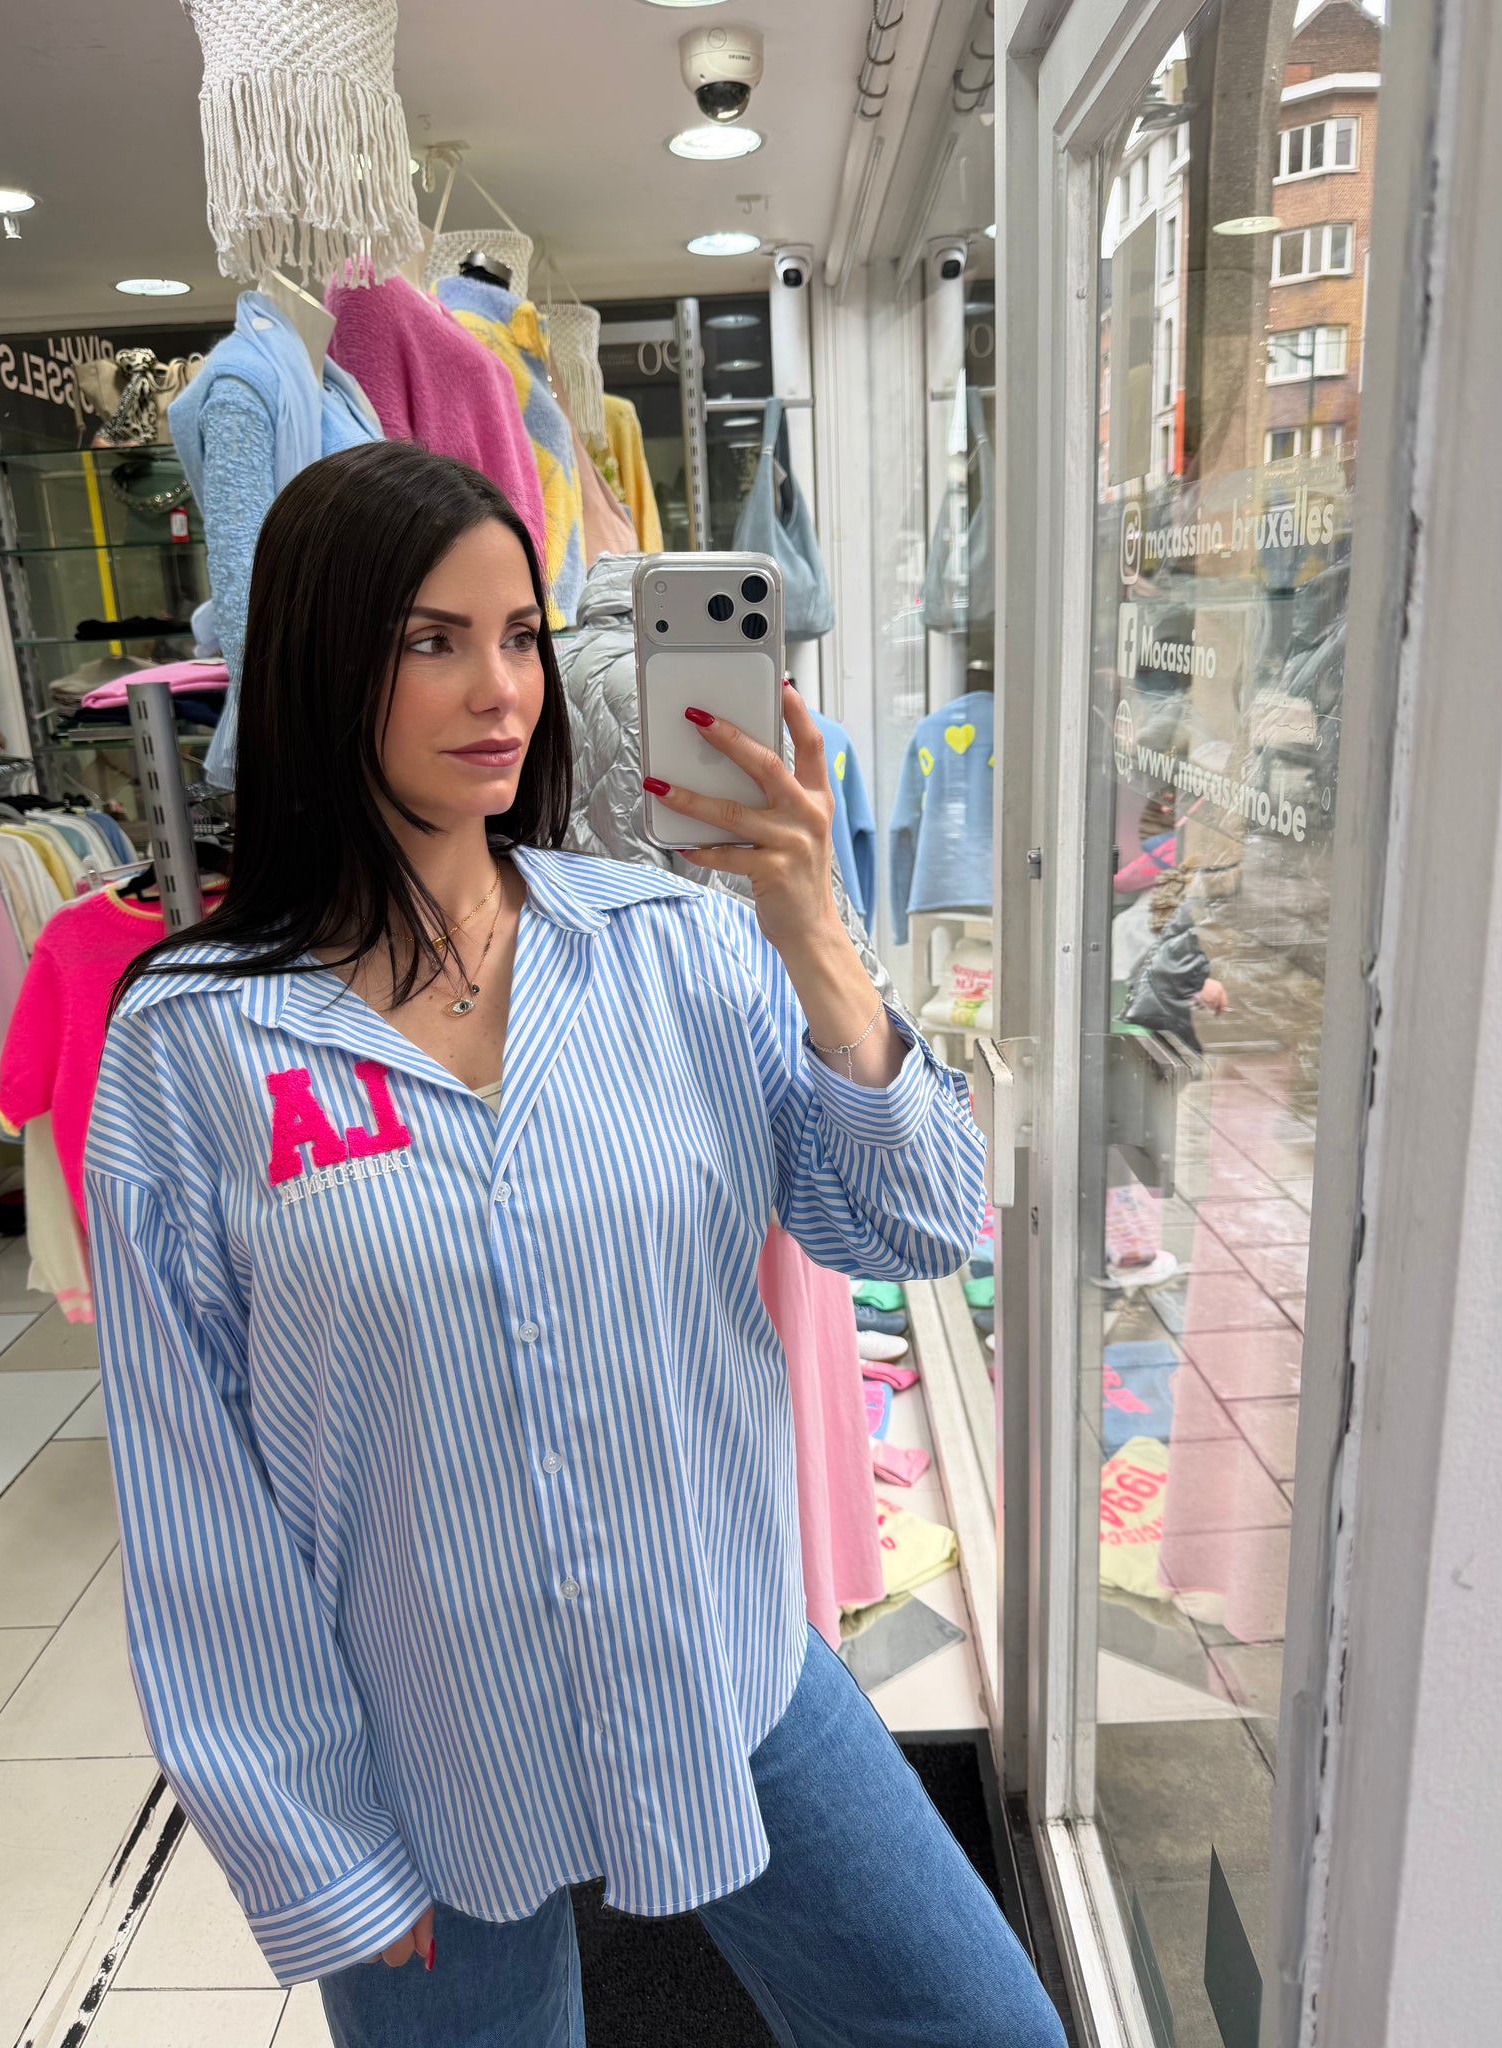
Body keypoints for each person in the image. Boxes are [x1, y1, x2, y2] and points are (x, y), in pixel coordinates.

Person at [85, 440, 1064, 2048]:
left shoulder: (674, 950)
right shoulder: (192, 1047)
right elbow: (199, 1498)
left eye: (521, 636)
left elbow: (912, 1221)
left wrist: (818, 937)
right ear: (321, 662)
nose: (501, 691)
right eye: (433, 640)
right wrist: (313, 1845)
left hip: (725, 1666)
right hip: (429, 1748)